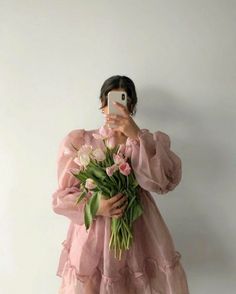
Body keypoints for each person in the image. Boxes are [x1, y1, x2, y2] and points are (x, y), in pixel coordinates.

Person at [52, 75, 190, 294]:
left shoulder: (146, 143)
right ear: (101, 103)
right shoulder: (81, 142)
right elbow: (61, 197)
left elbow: (161, 182)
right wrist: (95, 206)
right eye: (109, 100)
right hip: (94, 235)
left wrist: (136, 136)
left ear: (131, 105)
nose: (113, 107)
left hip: (139, 230)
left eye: (122, 100)